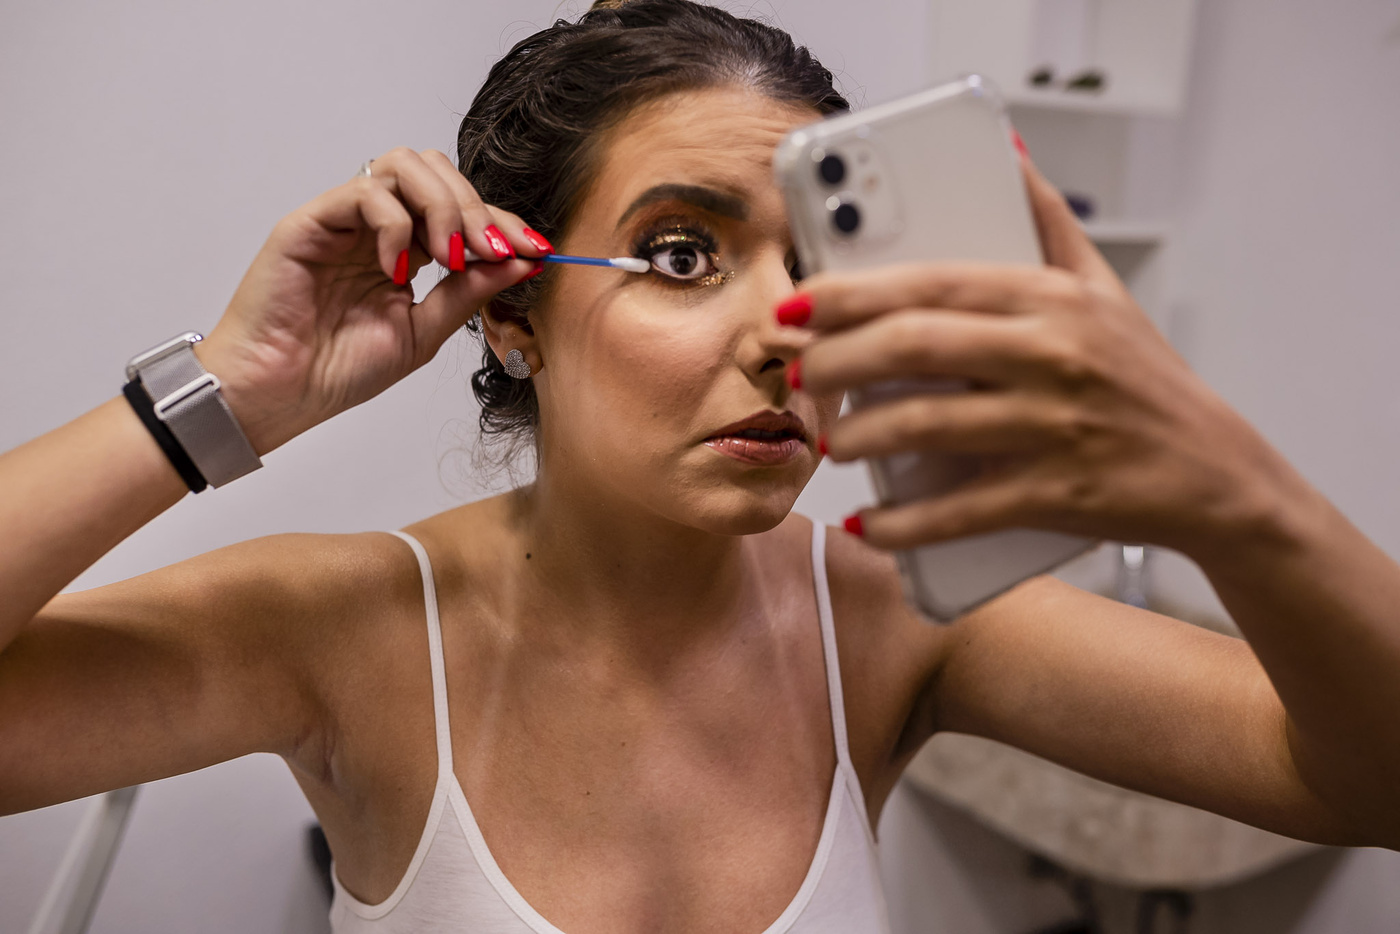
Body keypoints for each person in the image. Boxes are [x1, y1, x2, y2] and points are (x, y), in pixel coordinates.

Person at [0, 1, 1393, 932]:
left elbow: (1370, 786)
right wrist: (223, 398)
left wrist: (1235, 494)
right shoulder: (348, 630)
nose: (790, 329)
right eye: (681, 254)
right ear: (512, 314)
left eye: (818, 258)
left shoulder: (892, 622)